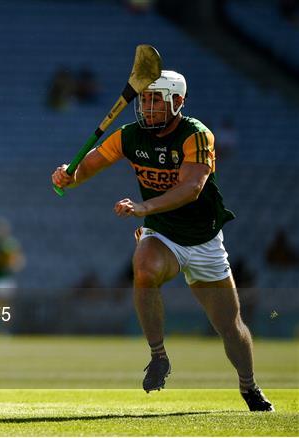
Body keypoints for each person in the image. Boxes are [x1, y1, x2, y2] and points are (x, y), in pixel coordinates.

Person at [52, 70, 273, 411]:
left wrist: (143, 206)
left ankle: (249, 386)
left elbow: (191, 188)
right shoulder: (129, 136)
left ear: (178, 102)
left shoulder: (196, 135)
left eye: (157, 99)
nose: (148, 106)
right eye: (144, 98)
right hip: (162, 232)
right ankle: (158, 356)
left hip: (204, 239)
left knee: (229, 325)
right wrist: (69, 174)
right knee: (144, 265)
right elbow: (90, 164)